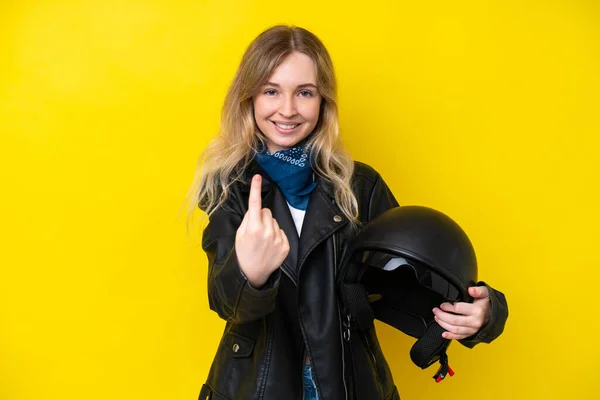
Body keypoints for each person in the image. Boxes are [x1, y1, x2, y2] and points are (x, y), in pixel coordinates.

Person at [190, 25, 508, 400]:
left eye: (304, 93)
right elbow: (225, 301)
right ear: (249, 98)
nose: (287, 109)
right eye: (271, 91)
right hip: (258, 386)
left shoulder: (360, 186)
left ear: (323, 101)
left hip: (350, 384)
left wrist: (482, 314)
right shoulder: (230, 186)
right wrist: (251, 274)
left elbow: (407, 283)